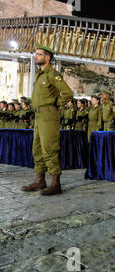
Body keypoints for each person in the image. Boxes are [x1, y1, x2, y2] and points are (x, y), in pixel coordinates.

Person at [21, 44, 74, 196]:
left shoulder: (52, 74)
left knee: (50, 148)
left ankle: (56, 184)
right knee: (37, 149)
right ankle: (40, 180)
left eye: (39, 54)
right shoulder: (40, 74)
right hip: (38, 117)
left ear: (47, 57)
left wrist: (54, 103)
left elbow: (67, 94)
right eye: (35, 54)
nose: (35, 56)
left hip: (48, 115)